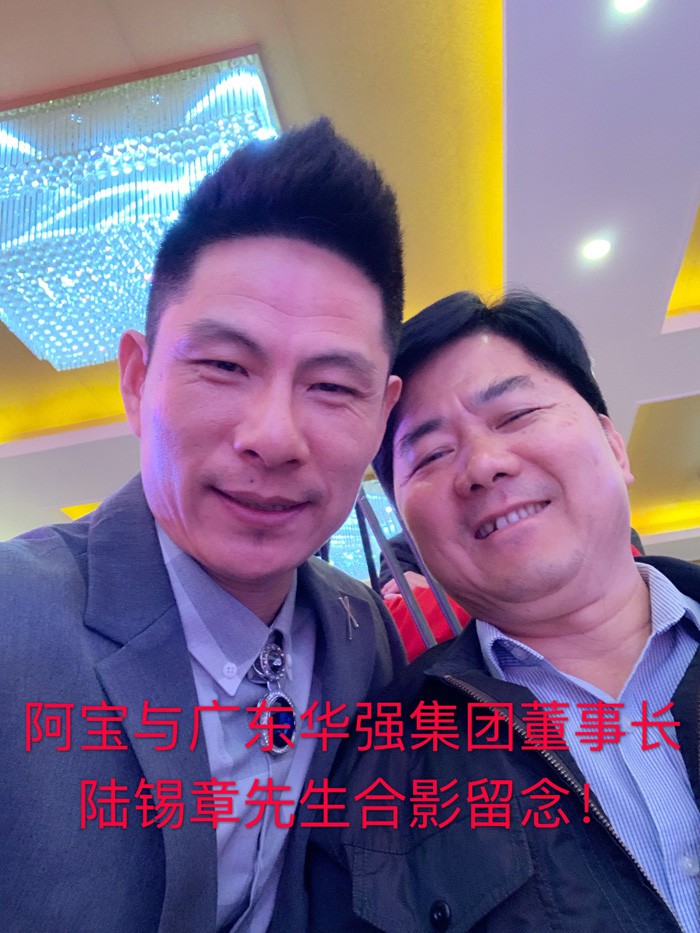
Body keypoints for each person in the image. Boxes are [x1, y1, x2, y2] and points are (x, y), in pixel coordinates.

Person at [0, 118, 406, 933]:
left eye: (332, 386)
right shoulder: (15, 617)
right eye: (225, 365)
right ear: (136, 378)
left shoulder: (363, 633)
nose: (274, 436)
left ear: (382, 416)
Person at [307, 291, 700, 932]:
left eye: (516, 415)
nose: (484, 466)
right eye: (431, 455)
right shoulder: (373, 773)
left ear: (614, 445)